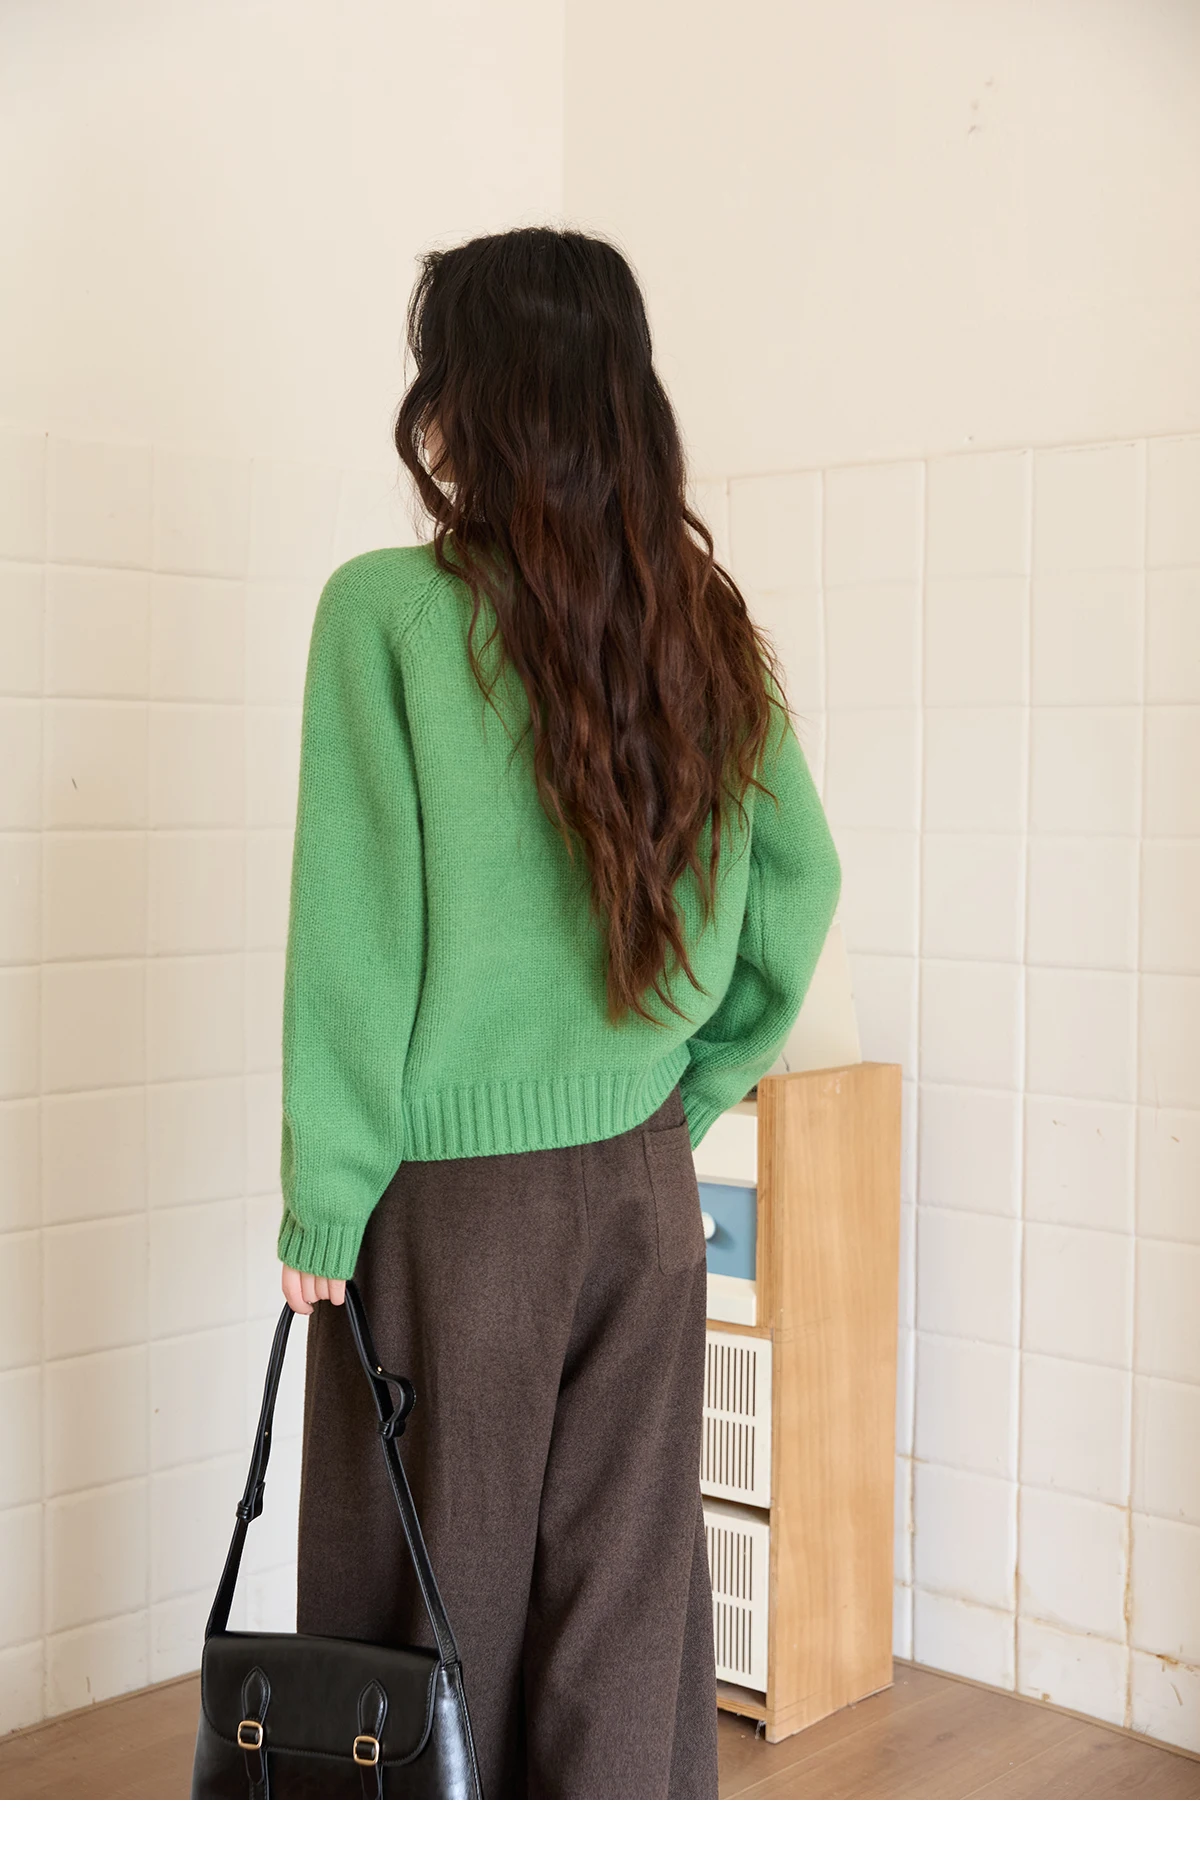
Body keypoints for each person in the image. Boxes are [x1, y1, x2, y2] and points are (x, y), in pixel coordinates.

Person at [276, 226, 841, 1800]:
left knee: (425, 1614)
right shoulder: (698, 624)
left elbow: (358, 934)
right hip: (642, 1189)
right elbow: (798, 890)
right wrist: (681, 1090)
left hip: (449, 1211)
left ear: (472, 397)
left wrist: (326, 1192)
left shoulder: (386, 614)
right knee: (627, 1611)